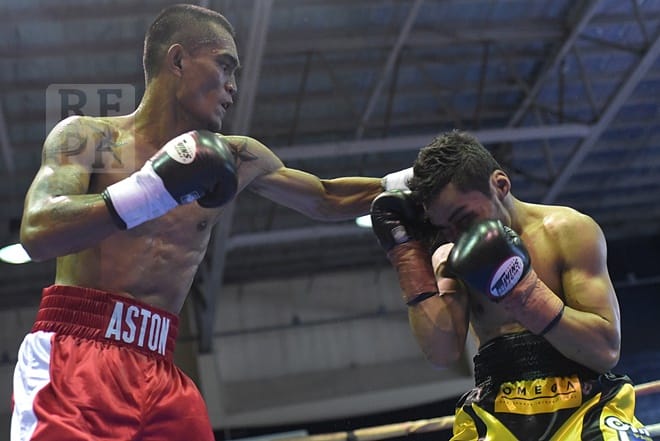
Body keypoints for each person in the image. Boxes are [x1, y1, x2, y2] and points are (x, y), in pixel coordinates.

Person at [10, 4, 411, 441]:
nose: (233, 87)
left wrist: (412, 182)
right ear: (178, 60)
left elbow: (325, 199)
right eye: (224, 66)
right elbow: (37, 231)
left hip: (162, 368)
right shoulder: (92, 137)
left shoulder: (237, 158)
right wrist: (152, 189)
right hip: (76, 354)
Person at [370, 130, 651, 440]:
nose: (456, 236)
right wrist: (409, 258)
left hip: (586, 403)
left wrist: (523, 294)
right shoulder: (449, 257)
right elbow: (442, 354)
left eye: (463, 219)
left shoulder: (567, 230)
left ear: (500, 185)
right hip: (496, 412)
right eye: (444, 228)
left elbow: (605, 350)